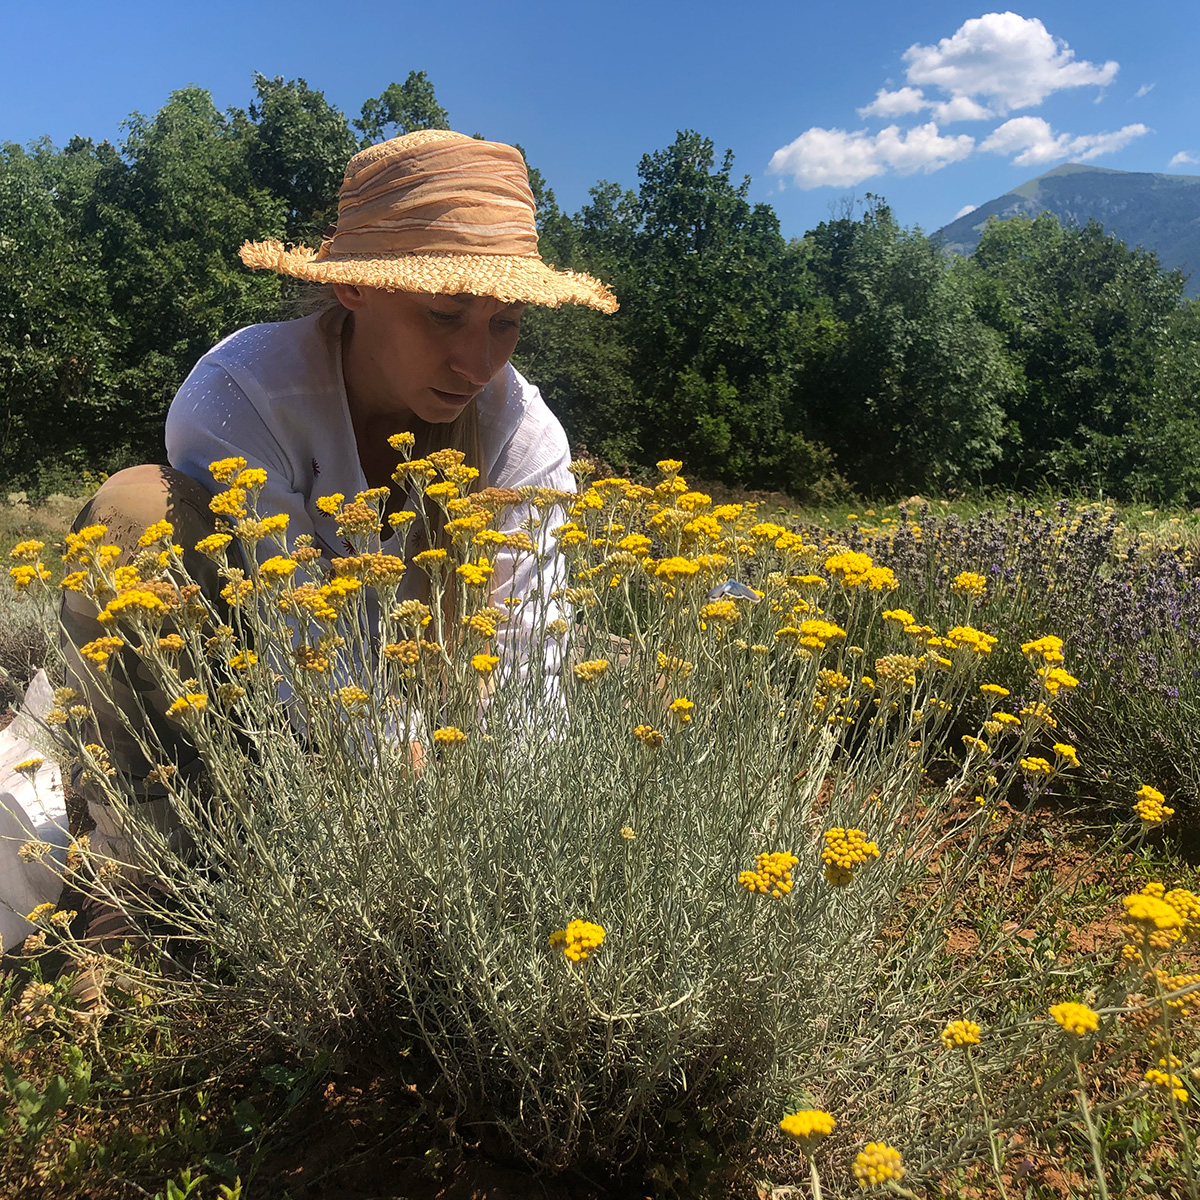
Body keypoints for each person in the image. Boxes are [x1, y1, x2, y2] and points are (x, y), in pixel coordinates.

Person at [56, 129, 618, 942]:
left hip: (438, 736)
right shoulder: (245, 396)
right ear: (353, 290)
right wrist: (390, 795)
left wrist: (513, 841)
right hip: (253, 707)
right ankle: (138, 870)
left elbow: (532, 640)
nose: (477, 360)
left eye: (506, 323)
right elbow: (296, 629)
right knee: (130, 516)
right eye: (445, 313)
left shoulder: (521, 430)